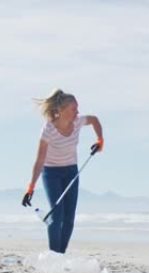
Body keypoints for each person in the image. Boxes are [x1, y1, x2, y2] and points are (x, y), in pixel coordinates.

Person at [22, 89, 104, 254]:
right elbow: (39, 160)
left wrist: (100, 140)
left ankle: (60, 255)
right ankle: (53, 256)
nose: (78, 112)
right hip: (51, 174)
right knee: (56, 215)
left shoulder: (78, 122)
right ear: (60, 111)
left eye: (77, 108)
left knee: (69, 219)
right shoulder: (49, 129)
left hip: (71, 172)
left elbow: (95, 120)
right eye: (74, 109)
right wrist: (31, 187)